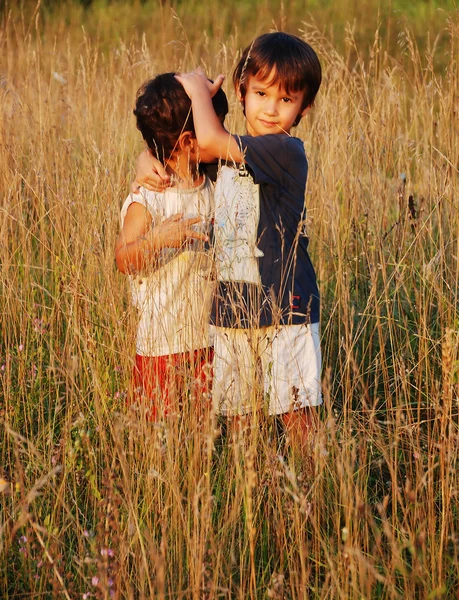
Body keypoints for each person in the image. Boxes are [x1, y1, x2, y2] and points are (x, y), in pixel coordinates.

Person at [137, 32, 322, 452]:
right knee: (239, 417)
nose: (271, 109)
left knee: (297, 414)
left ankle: (316, 495)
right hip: (232, 311)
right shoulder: (230, 153)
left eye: (286, 99)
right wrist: (145, 158)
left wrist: (196, 90)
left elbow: (209, 141)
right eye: (260, 93)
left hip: (285, 308)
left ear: (304, 108)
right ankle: (249, 489)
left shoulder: (285, 151)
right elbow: (181, 149)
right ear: (241, 91)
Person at [115, 72, 228, 420]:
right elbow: (124, 259)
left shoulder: (214, 184)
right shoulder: (149, 197)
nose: (220, 136)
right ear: (190, 142)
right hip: (161, 346)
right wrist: (157, 240)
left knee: (199, 433)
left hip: (208, 339)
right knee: (160, 430)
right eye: (215, 128)